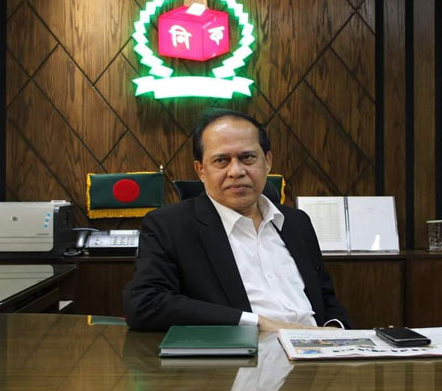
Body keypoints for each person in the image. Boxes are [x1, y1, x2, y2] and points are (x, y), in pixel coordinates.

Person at [123, 109, 351, 331]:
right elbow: (145, 303)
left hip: (317, 348)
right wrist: (256, 323)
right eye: (221, 160)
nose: (236, 171)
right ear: (201, 170)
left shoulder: (296, 222)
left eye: (247, 158)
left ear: (267, 161)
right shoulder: (170, 226)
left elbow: (325, 297)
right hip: (246, 351)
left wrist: (335, 330)